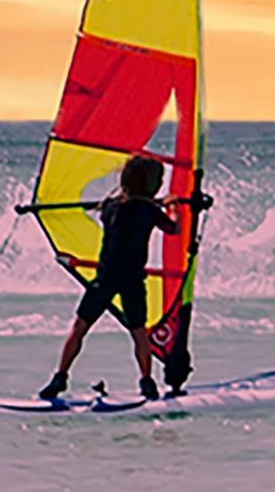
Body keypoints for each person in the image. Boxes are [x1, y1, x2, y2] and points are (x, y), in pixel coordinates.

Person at [37, 149, 189, 401]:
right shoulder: (149, 211)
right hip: (131, 281)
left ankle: (59, 377)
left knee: (78, 329)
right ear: (152, 185)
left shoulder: (109, 207)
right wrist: (172, 206)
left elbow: (120, 208)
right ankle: (147, 382)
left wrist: (149, 203)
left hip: (104, 279)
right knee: (139, 333)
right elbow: (173, 229)